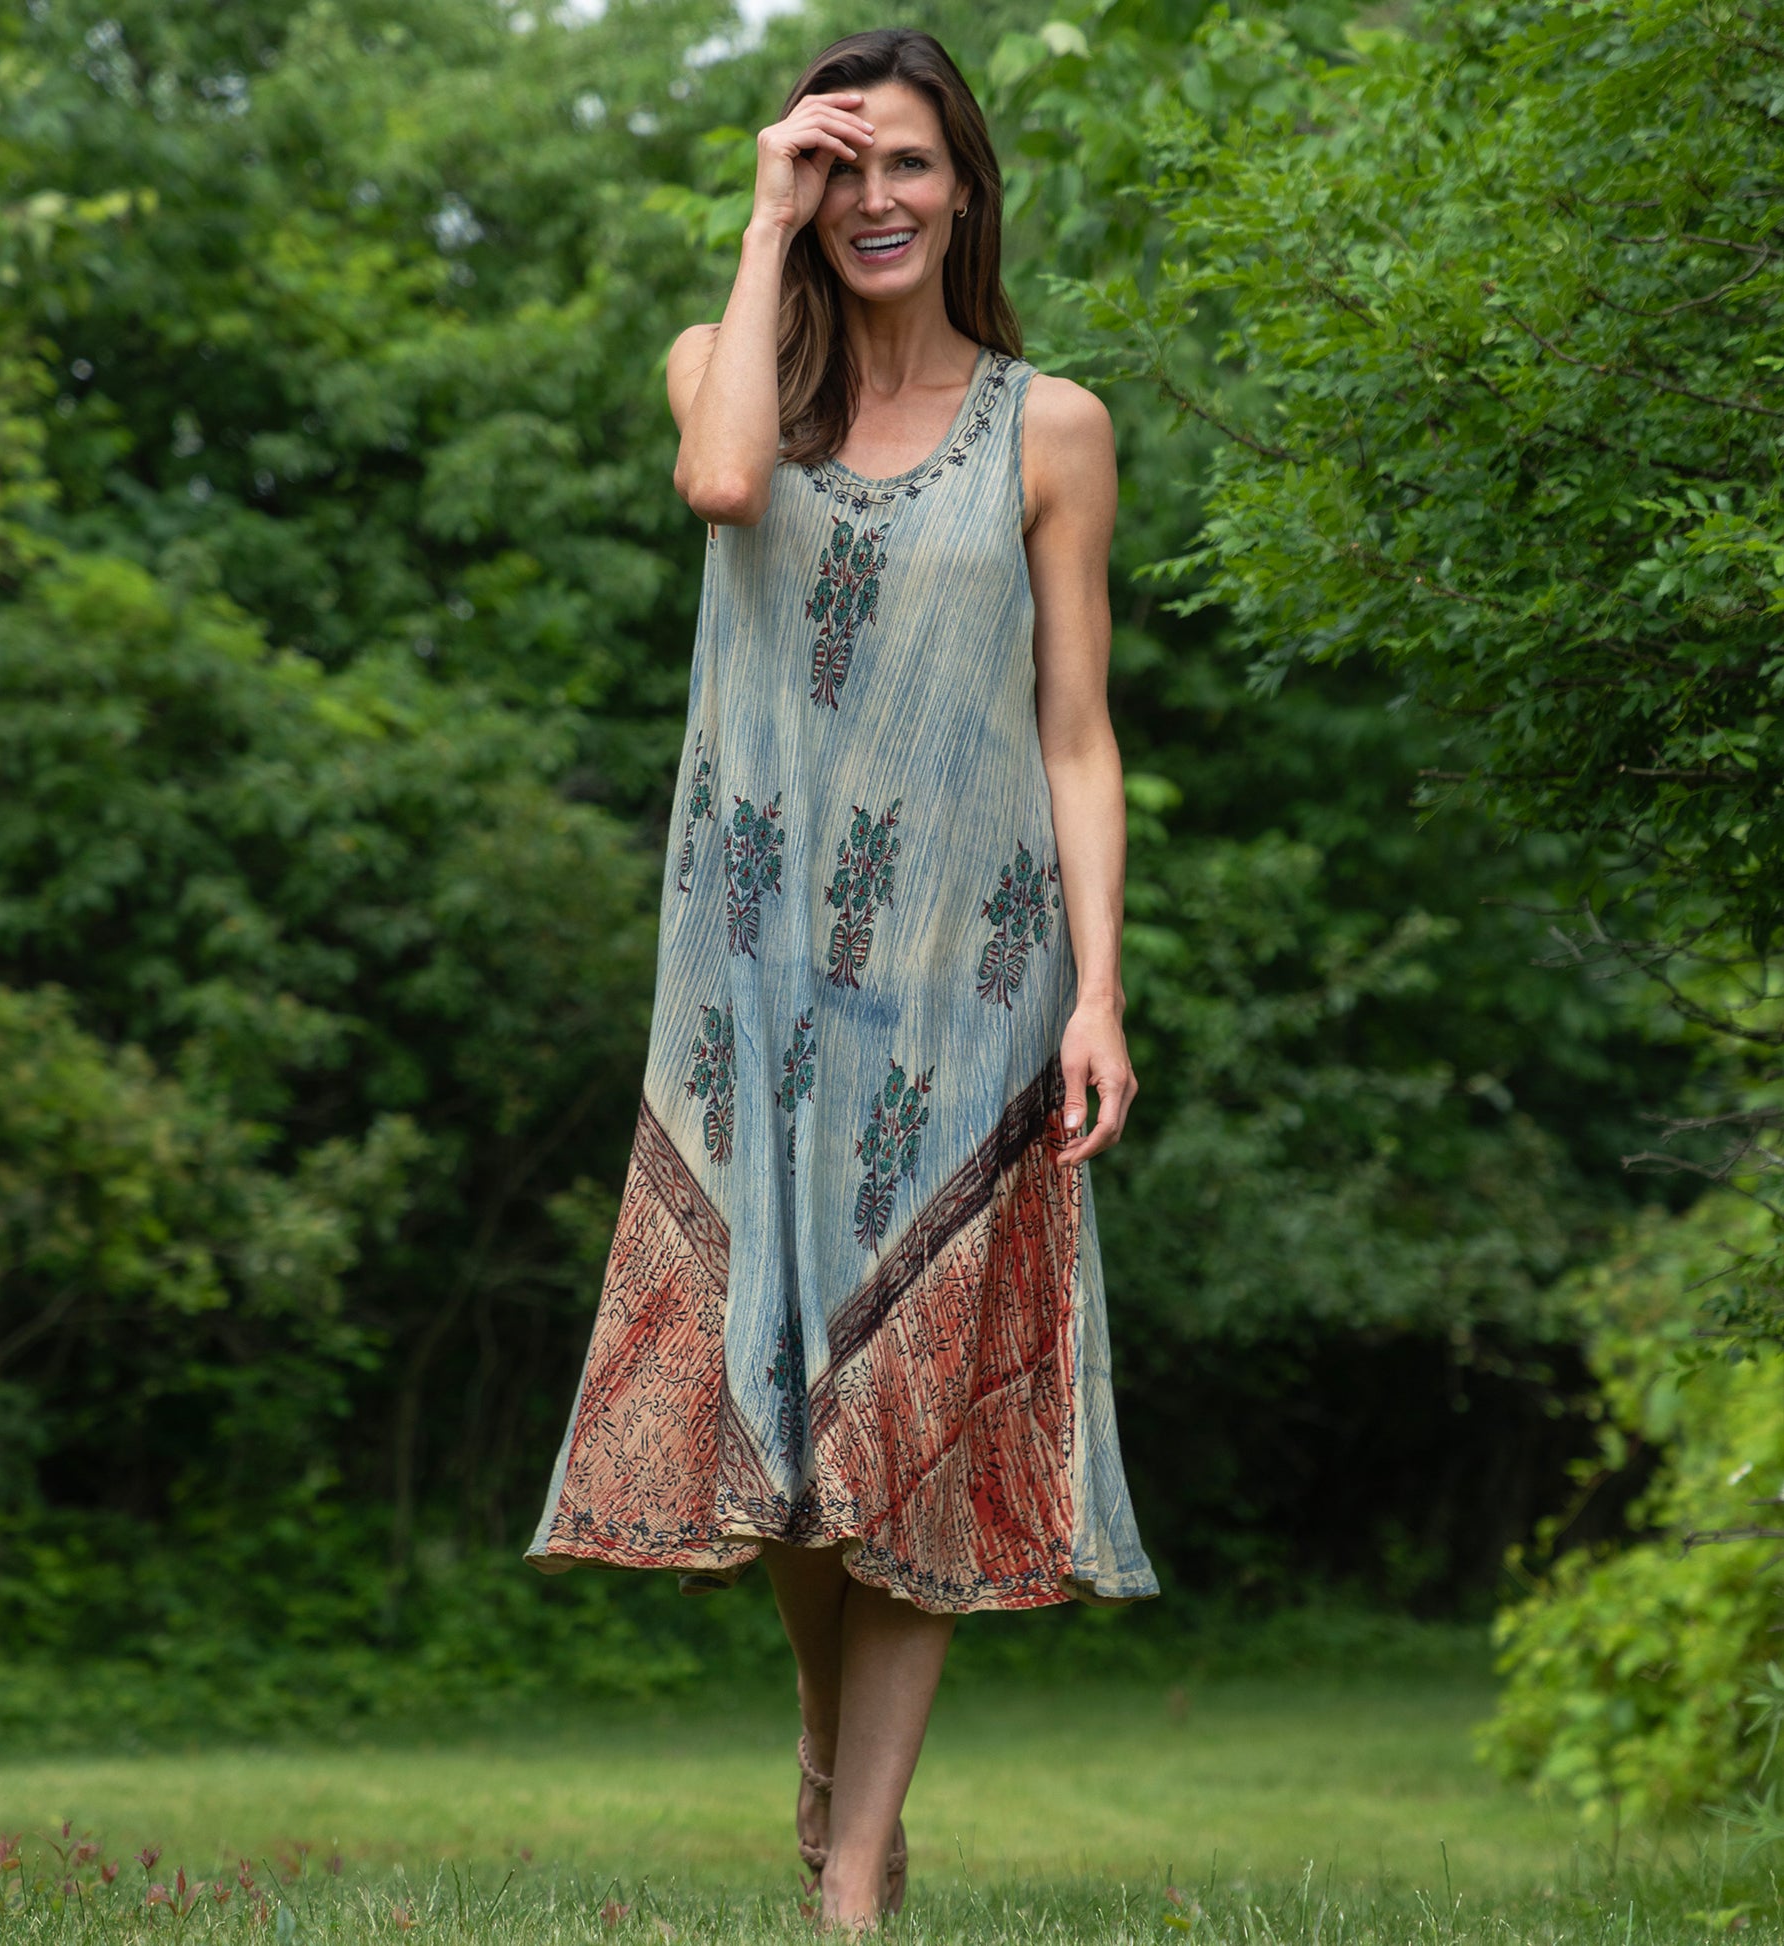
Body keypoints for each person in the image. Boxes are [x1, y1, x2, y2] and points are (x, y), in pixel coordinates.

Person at [526, 26, 1157, 1930]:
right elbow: (723, 483)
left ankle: (855, 1864)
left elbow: (1075, 732)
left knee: (902, 1406)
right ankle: (827, 1739)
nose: (875, 199)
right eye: (839, 164)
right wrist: (756, 220)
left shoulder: (1051, 427)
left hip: (968, 983)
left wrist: (1098, 992)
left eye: (909, 165)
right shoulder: (721, 365)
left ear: (964, 191)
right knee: (789, 1410)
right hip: (752, 984)